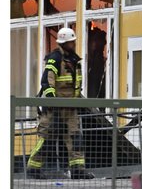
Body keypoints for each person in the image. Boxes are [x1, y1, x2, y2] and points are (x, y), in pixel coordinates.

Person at [27, 27, 93, 179]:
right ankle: (33, 168)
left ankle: (77, 170)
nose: (74, 43)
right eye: (71, 41)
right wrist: (53, 101)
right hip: (54, 109)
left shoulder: (74, 60)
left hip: (71, 108)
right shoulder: (55, 59)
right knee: (46, 139)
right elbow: (47, 81)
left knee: (75, 139)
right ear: (64, 43)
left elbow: (75, 84)